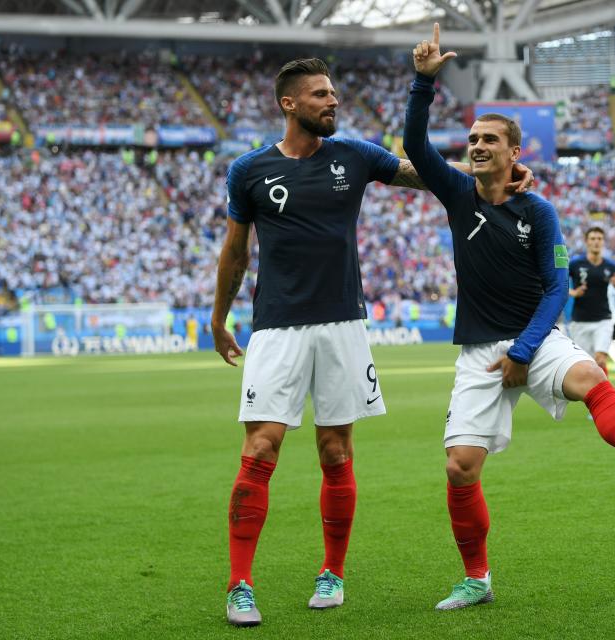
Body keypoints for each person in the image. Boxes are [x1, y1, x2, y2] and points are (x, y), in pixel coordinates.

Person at [211, 57, 532, 627]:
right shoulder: (249, 170)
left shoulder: (355, 155)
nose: (332, 101)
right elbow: (236, 251)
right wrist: (217, 319)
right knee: (261, 448)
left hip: (343, 325)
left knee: (336, 451)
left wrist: (492, 175)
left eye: (333, 93)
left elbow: (424, 171)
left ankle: (332, 573)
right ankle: (239, 585)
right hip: (275, 327)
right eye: (319, 95)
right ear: (290, 104)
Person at [403, 24, 615, 612]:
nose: (477, 145)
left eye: (490, 140)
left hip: (536, 337)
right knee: (460, 469)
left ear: (515, 154)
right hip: (480, 351)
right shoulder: (457, 194)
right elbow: (415, 142)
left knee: (592, 379)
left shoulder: (541, 212)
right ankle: (477, 578)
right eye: (473, 137)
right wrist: (422, 83)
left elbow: (557, 287)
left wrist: (526, 351)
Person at [568, 227, 615, 376]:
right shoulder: (575, 264)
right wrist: (574, 292)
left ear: (603, 242)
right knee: (585, 366)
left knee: (600, 360)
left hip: (603, 320)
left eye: (599, 239)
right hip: (580, 321)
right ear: (587, 241)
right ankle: (591, 395)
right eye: (593, 239)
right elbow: (558, 284)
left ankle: (604, 396)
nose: (596, 242)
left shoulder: (610, 266)